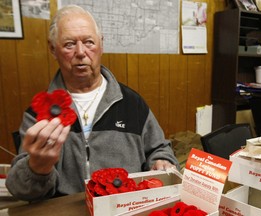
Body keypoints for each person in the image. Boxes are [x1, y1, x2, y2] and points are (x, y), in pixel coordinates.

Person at [6, 5, 179, 201]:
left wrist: (162, 161)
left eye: (89, 42)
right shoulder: (39, 113)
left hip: (125, 207)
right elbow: (20, 189)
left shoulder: (131, 103)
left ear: (101, 45)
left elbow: (160, 149)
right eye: (69, 44)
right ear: (53, 49)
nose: (80, 52)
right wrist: (38, 167)